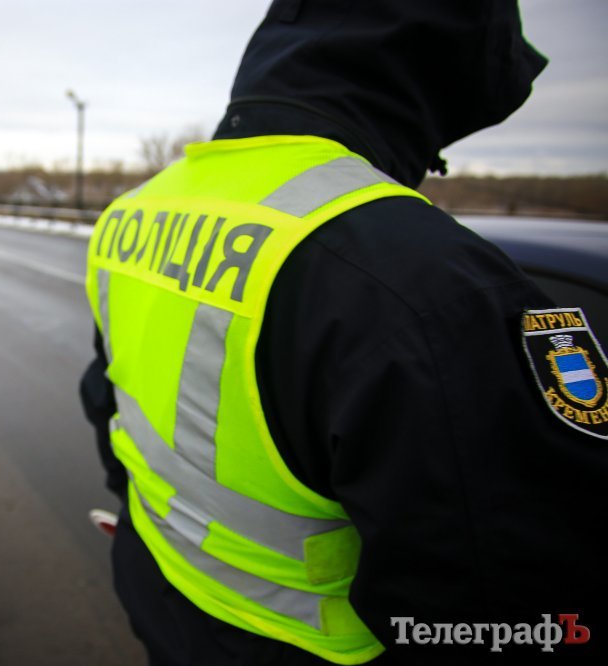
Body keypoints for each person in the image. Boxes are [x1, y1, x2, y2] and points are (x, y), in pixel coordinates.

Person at [80, 1, 607, 664]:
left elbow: (107, 401)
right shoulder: (420, 279)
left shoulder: (135, 210)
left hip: (159, 593)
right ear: (433, 85)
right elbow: (502, 608)